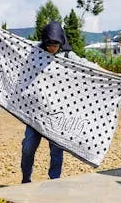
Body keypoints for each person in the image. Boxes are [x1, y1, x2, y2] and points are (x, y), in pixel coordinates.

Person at [21, 21, 93, 183]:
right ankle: (25, 179)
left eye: (56, 44)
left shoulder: (68, 57)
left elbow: (89, 67)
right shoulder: (34, 53)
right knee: (28, 147)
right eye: (49, 44)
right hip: (35, 112)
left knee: (56, 150)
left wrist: (111, 74)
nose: (52, 48)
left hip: (58, 114)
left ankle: (54, 180)